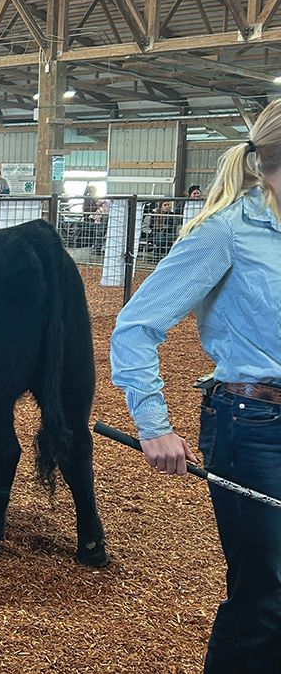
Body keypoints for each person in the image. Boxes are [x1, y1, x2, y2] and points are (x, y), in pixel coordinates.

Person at [110, 99, 281, 673]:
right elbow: (135, 327)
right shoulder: (227, 231)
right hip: (254, 427)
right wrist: (154, 426)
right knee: (266, 598)